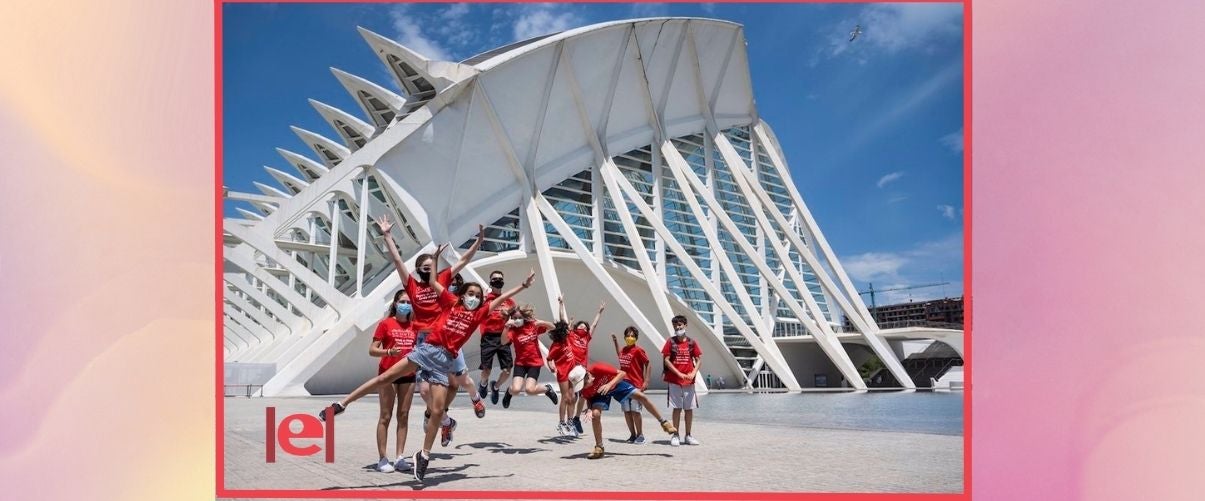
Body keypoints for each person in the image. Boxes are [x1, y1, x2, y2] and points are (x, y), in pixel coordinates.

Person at [318, 257, 536, 483]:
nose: (474, 298)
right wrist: (434, 264)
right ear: (461, 295)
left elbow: (501, 298)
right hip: (427, 349)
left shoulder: (478, 313)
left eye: (478, 296)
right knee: (385, 378)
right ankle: (341, 405)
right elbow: (433, 282)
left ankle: (424, 455)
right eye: (470, 294)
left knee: (438, 411)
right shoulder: (450, 302)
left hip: (444, 361)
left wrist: (523, 286)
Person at [376, 215, 488, 422]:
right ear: (418, 270)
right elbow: (398, 261)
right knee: (425, 390)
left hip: (447, 337)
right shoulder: (412, 286)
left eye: (431, 266)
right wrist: (388, 236)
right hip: (425, 340)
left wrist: (478, 242)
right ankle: (444, 420)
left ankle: (476, 398)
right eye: (424, 268)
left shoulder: (442, 279)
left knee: (462, 380)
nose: (428, 270)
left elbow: (463, 261)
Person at [566, 362, 677, 460]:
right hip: (600, 393)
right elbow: (589, 399)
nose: (584, 387)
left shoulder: (597, 367)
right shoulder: (585, 390)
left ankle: (664, 422)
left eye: (584, 383)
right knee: (595, 414)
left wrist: (609, 385)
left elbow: (622, 373)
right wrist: (590, 409)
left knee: (641, 397)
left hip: (614, 384)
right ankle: (599, 447)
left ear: (587, 375)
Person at [369, 291, 419, 473]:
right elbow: (372, 350)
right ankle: (382, 459)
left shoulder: (415, 326)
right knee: (385, 415)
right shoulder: (385, 323)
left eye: (409, 302)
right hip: (388, 373)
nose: (406, 304)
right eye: (402, 301)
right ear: (396, 303)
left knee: (403, 415)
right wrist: (388, 352)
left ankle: (400, 457)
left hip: (408, 375)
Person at [499, 304, 559, 408]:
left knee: (530, 390)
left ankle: (547, 389)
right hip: (520, 363)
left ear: (524, 317)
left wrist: (542, 322)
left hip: (534, 363)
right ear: (511, 319)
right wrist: (506, 327)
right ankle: (508, 393)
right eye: (514, 318)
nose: (517, 320)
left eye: (519, 318)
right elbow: (503, 342)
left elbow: (553, 327)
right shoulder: (512, 331)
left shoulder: (532, 325)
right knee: (516, 389)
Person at [662, 314, 702, 446]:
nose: (677, 327)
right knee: (677, 408)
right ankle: (675, 434)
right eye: (675, 325)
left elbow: (699, 359)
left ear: (685, 325)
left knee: (689, 409)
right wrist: (678, 373)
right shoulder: (670, 342)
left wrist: (693, 372)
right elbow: (666, 360)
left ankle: (688, 435)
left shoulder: (691, 342)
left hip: (689, 381)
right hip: (675, 381)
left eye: (679, 325)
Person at [476, 270, 516, 405]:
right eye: (495, 279)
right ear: (490, 281)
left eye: (500, 278)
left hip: (503, 337)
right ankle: (483, 384)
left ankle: (496, 386)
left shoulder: (509, 301)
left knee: (507, 370)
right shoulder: (485, 299)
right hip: (488, 337)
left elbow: (516, 318)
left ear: (503, 281)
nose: (497, 280)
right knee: (486, 369)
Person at [567, 300, 606, 435]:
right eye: (580, 326)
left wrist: (599, 312)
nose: (583, 328)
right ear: (576, 328)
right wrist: (569, 323)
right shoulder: (571, 335)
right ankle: (570, 421)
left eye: (585, 327)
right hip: (572, 370)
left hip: (583, 370)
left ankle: (576, 418)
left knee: (582, 395)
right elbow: (565, 329)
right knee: (572, 396)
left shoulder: (586, 338)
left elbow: (594, 325)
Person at [611, 326, 651, 444]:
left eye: (632, 336)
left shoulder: (638, 350)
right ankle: (632, 435)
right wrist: (615, 341)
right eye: (628, 335)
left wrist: (646, 381)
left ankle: (640, 435)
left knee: (636, 411)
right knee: (627, 411)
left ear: (636, 338)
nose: (630, 338)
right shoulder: (623, 350)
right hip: (623, 385)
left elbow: (648, 364)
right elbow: (620, 354)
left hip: (636, 385)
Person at [546, 319, 578, 436]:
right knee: (565, 397)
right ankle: (561, 423)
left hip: (572, 373)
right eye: (565, 330)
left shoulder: (567, 338)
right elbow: (549, 359)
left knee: (572, 397)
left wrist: (569, 322)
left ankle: (570, 422)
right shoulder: (556, 345)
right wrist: (552, 368)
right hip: (563, 373)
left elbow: (567, 327)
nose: (567, 331)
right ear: (560, 332)